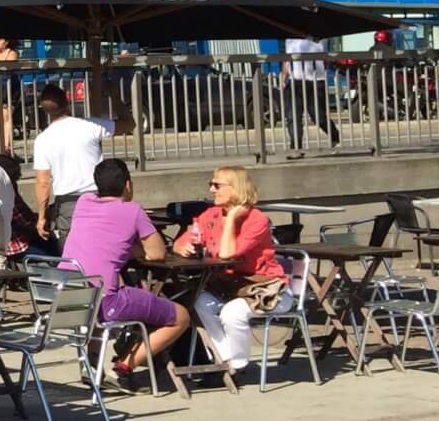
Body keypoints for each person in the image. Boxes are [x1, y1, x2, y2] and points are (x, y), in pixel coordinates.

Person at [58, 159, 193, 380]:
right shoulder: (133, 211)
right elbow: (158, 253)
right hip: (106, 303)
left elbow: (102, 241)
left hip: (72, 296)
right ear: (128, 185)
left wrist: (126, 248)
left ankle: (91, 366)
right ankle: (124, 367)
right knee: (182, 316)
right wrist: (137, 249)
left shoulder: (83, 202)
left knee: (105, 290)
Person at [174, 165, 291, 373]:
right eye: (210, 184)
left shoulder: (257, 220)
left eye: (217, 185)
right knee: (199, 302)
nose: (211, 190)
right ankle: (227, 358)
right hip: (229, 286)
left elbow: (228, 254)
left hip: (266, 288)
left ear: (235, 188)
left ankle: (237, 365)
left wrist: (231, 220)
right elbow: (179, 241)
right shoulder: (211, 214)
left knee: (231, 313)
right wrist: (183, 247)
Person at [31, 83, 132, 241]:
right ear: (67, 102)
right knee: (102, 244)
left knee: (72, 252)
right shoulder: (90, 126)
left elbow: (43, 182)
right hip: (98, 197)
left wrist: (42, 217)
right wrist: (115, 97)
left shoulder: (42, 140)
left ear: (44, 110)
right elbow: (128, 124)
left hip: (67, 205)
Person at [283, 37, 342, 151]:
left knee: (318, 116)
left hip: (316, 79)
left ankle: (334, 135)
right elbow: (287, 57)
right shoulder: (289, 38)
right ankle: (296, 147)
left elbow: (324, 55)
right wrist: (284, 76)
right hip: (294, 80)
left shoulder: (317, 36)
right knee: (293, 117)